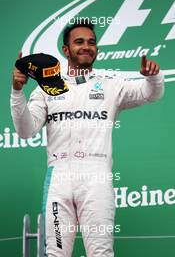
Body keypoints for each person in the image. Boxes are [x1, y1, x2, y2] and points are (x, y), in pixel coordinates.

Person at [11, 19, 164, 257]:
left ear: (97, 50)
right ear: (65, 50)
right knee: (56, 253)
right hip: (59, 178)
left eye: (91, 42)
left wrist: (152, 78)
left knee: (101, 253)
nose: (86, 46)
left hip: (96, 177)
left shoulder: (111, 84)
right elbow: (25, 131)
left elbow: (150, 94)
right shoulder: (45, 88)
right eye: (79, 42)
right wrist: (17, 92)